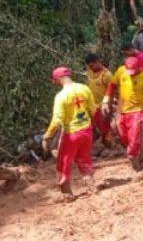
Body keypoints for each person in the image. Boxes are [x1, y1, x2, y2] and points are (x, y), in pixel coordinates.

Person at [42, 67, 96, 201]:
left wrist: (47, 136)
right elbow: (93, 109)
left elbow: (57, 120)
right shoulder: (84, 88)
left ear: (58, 79)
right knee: (84, 158)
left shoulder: (61, 96)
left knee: (64, 163)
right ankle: (91, 186)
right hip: (87, 131)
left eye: (55, 80)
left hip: (71, 134)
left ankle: (67, 194)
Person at [102, 57, 143, 170]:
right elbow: (112, 85)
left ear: (139, 68)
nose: (131, 74)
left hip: (137, 111)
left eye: (133, 72)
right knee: (124, 137)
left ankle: (134, 159)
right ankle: (141, 153)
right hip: (122, 111)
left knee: (135, 137)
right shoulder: (121, 71)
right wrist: (106, 100)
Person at [84, 53, 114, 147]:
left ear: (97, 62)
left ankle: (110, 146)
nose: (91, 68)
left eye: (92, 65)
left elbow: (112, 91)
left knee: (105, 128)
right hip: (92, 106)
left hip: (103, 106)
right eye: (89, 66)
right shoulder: (89, 72)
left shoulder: (107, 75)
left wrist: (108, 104)